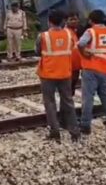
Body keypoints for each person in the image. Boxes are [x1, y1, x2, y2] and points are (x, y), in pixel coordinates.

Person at [35, 10, 80, 142]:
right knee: (68, 101)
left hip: (47, 74)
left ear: (49, 21)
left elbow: (37, 52)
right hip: (65, 72)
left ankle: (55, 131)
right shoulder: (69, 34)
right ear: (62, 21)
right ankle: (74, 131)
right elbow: (72, 48)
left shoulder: (43, 36)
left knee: (49, 102)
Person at [77, 10, 106, 134]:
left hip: (90, 68)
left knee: (88, 97)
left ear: (90, 20)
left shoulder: (91, 31)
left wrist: (84, 52)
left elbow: (80, 43)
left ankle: (85, 125)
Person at [65, 12, 82, 95]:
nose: (74, 21)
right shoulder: (65, 32)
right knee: (69, 89)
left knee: (71, 88)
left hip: (75, 66)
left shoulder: (74, 32)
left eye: (75, 19)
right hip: (69, 66)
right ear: (66, 21)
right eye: (71, 19)